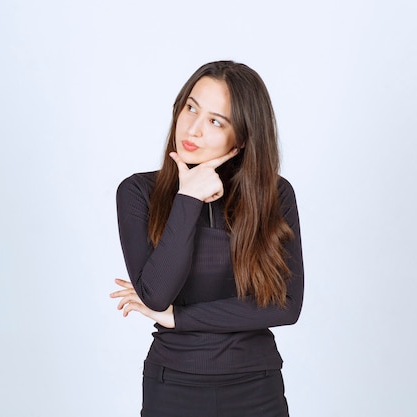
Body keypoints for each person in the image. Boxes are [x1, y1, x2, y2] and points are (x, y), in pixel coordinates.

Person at [110, 60, 304, 417]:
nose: (194, 129)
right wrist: (188, 199)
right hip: (173, 386)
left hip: (256, 386)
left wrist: (180, 318)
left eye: (216, 121)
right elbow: (156, 293)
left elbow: (286, 306)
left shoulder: (274, 195)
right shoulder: (138, 192)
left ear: (242, 138)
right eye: (191, 108)